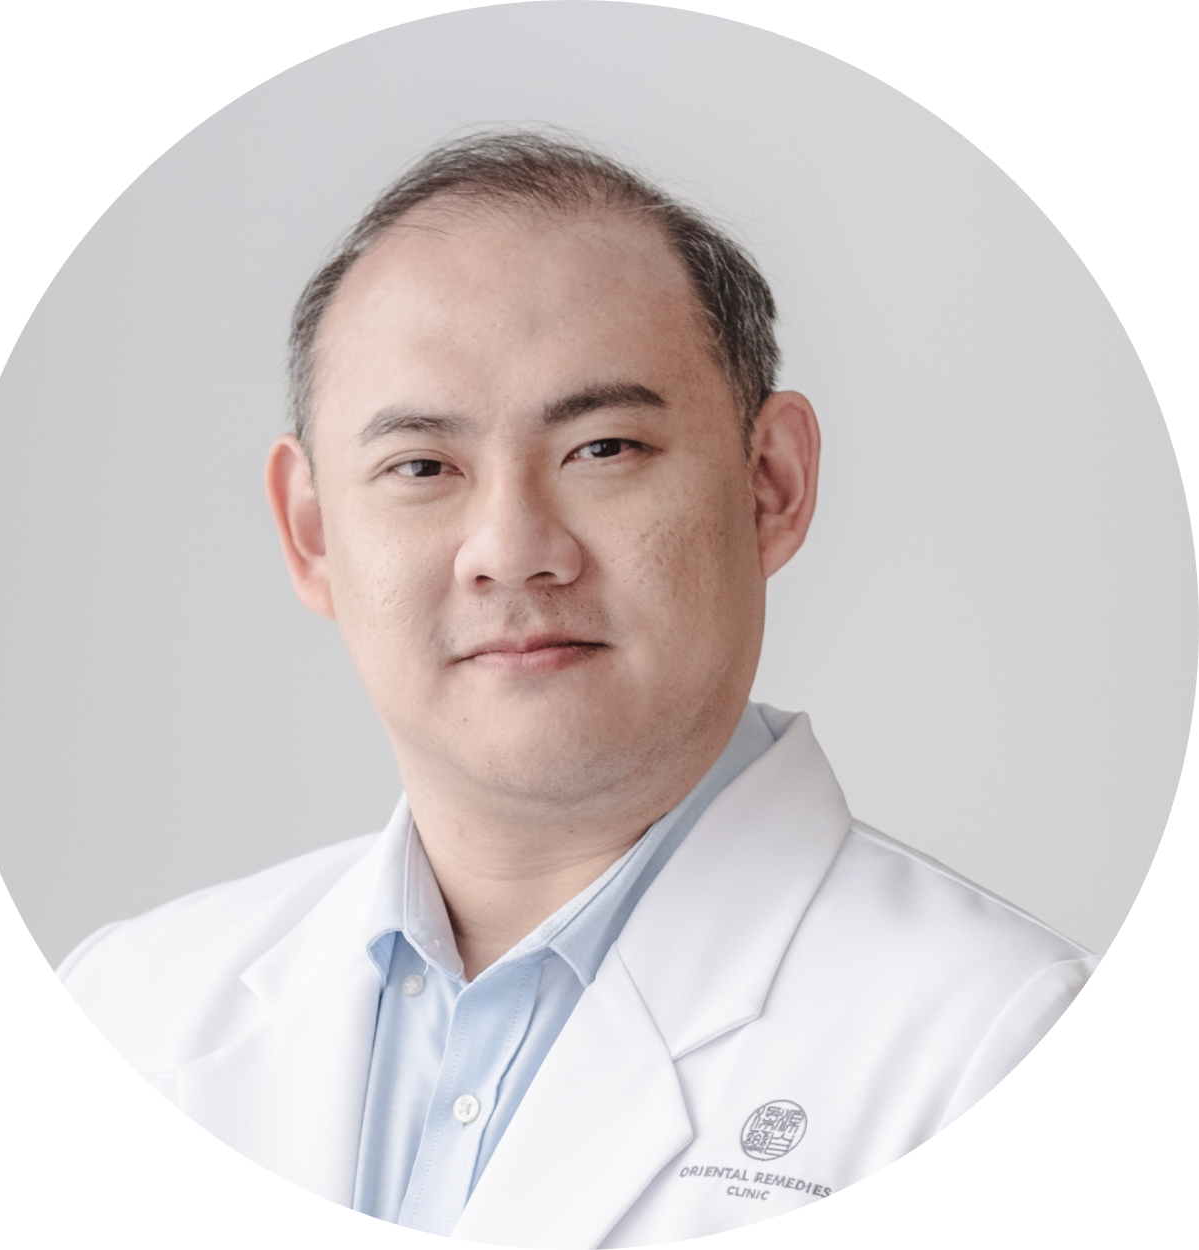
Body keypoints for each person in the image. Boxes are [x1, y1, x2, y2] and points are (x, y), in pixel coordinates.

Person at [59, 131, 1095, 1248]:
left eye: (603, 448)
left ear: (771, 485)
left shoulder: (1007, 1053)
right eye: (422, 467)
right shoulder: (120, 1013)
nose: (512, 551)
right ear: (312, 532)